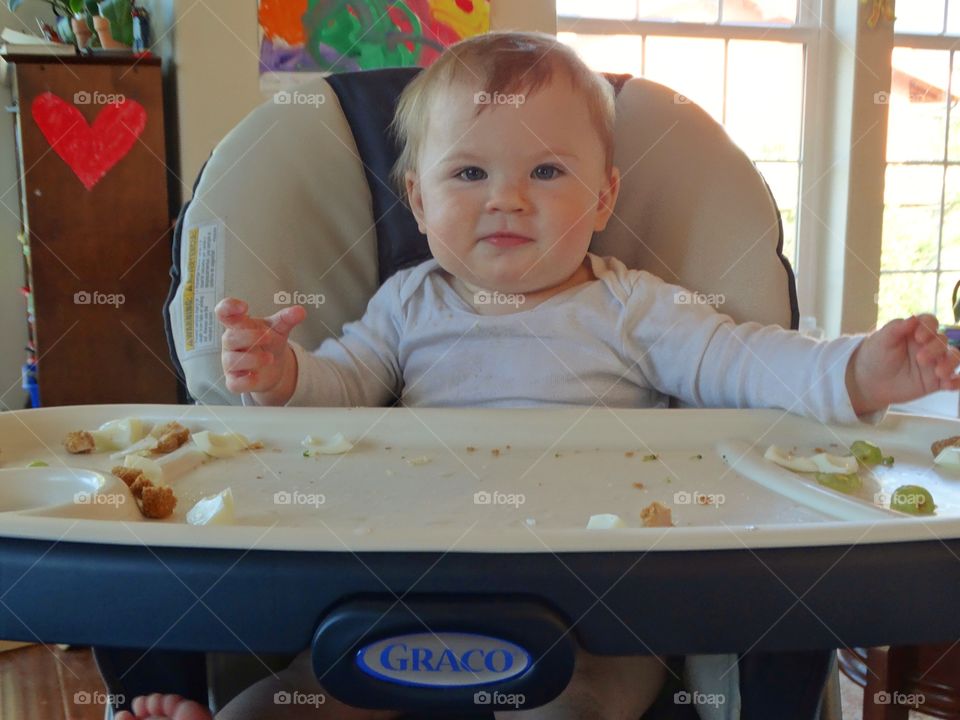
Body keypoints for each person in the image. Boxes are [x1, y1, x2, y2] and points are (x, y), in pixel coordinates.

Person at [117, 30, 960, 720]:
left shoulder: (636, 309)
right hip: (401, 589)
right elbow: (341, 391)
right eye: (469, 173)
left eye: (547, 172)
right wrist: (279, 374)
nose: (507, 199)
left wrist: (856, 371)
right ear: (416, 200)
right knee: (276, 707)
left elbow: (746, 361)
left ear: (603, 198)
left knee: (569, 709)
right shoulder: (407, 304)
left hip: (600, 614)